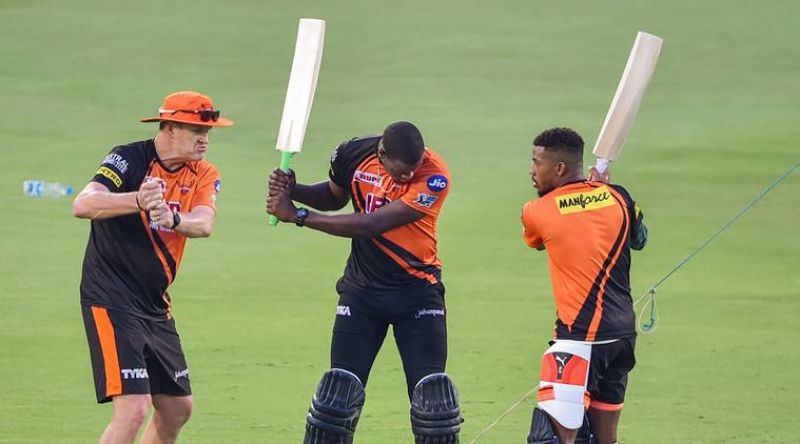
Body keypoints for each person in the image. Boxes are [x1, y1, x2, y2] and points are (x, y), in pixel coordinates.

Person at [267, 121, 463, 444]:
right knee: (336, 402)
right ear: (381, 153)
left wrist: (299, 216)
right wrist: (293, 190)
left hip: (418, 295)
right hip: (361, 295)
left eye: (412, 170)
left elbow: (372, 224)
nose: (408, 178)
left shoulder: (434, 176)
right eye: (401, 173)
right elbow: (334, 197)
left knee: (434, 407)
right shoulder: (351, 154)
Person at [73, 91, 233, 444]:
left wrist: (174, 218)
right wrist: (138, 200)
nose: (205, 140)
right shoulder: (128, 158)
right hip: (111, 297)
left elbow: (204, 223)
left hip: (155, 306)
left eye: (208, 132)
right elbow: (83, 203)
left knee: (178, 408)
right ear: (171, 126)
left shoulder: (204, 173)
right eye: (197, 130)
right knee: (133, 409)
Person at [520, 128, 648, 444]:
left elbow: (538, 241)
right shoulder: (619, 196)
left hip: (579, 339)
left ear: (559, 168)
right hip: (622, 337)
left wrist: (587, 194)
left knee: (552, 438)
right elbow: (640, 239)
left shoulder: (536, 211)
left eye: (537, 162)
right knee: (606, 438)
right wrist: (598, 192)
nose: (532, 171)